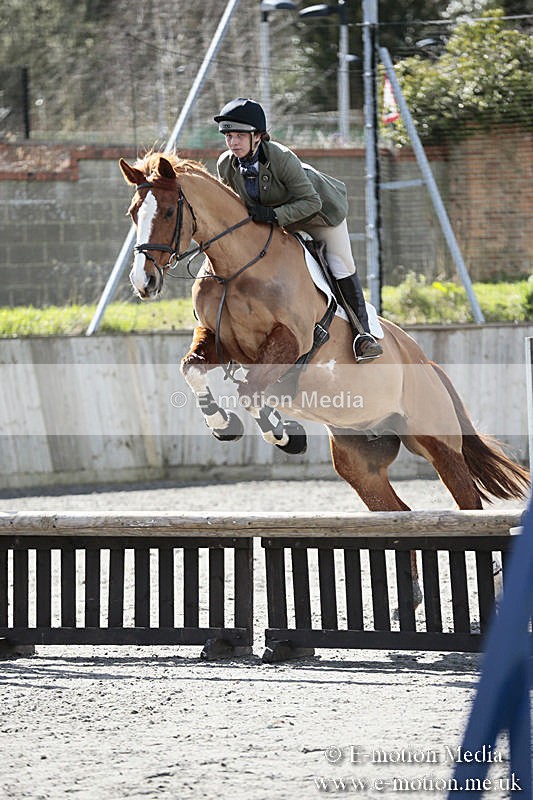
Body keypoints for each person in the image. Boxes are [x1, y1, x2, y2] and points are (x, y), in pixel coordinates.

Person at [214, 97, 383, 361]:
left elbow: (311, 201)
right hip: (280, 220)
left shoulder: (281, 158)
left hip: (320, 215)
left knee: (340, 266)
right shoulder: (226, 164)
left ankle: (363, 335)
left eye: (239, 136)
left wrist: (272, 215)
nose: (233, 142)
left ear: (257, 136)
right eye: (228, 136)